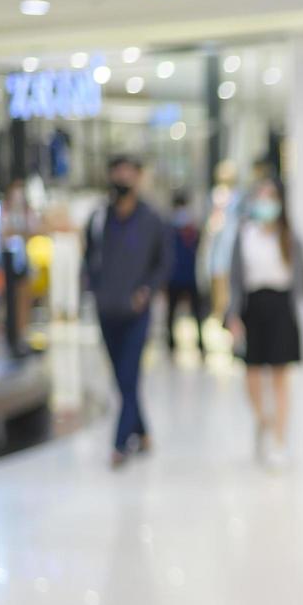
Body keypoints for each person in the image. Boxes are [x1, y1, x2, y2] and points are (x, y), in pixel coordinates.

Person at [224, 178, 303, 467]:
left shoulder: (290, 238)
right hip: (252, 307)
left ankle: (279, 440)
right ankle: (263, 420)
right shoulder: (244, 235)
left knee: (280, 376)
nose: (266, 203)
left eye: (271, 197)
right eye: (261, 196)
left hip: (281, 308)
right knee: (251, 375)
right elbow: (234, 280)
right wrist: (232, 314)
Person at [82, 155, 169, 468]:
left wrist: (146, 291)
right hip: (107, 309)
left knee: (129, 373)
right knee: (122, 377)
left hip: (136, 312)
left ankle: (120, 444)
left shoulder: (151, 220)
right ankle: (143, 433)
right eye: (116, 171)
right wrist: (93, 288)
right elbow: (88, 256)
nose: (122, 177)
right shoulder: (99, 217)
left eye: (128, 172)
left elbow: (163, 262)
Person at [165, 190, 206, 358]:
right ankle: (171, 343)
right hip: (174, 278)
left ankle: (200, 343)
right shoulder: (168, 230)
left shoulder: (192, 229)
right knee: (172, 313)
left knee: (197, 312)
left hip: (189, 277)